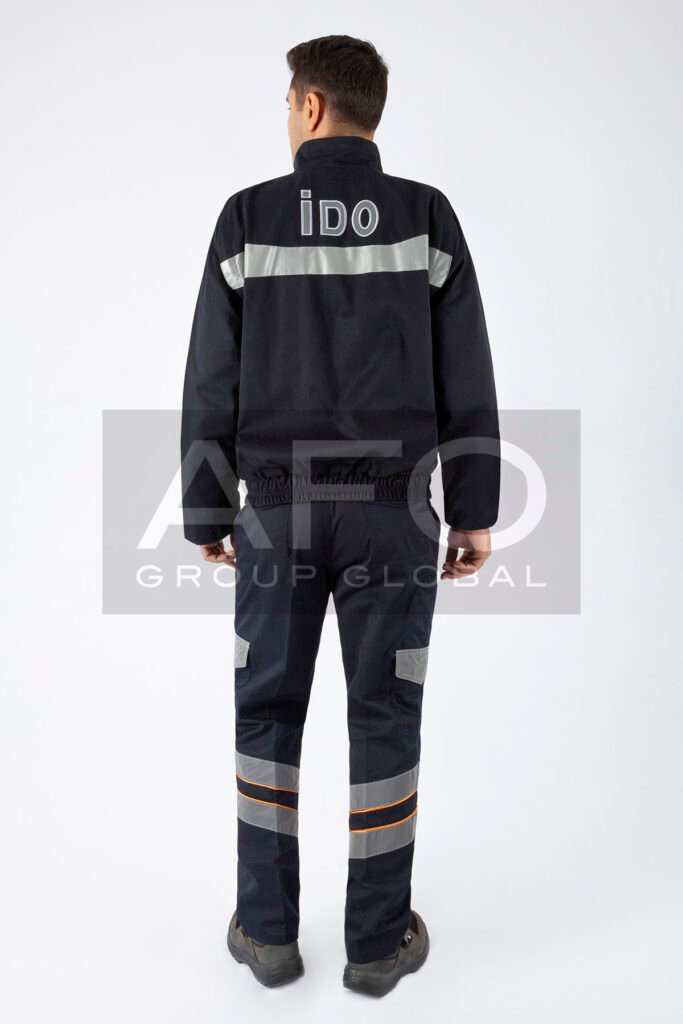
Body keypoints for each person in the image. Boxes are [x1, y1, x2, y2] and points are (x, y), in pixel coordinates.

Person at [181, 33, 500, 996]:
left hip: (275, 514)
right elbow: (465, 370)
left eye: (288, 103)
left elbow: (211, 375)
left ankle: (267, 935)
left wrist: (207, 508)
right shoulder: (425, 216)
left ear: (312, 106)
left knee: (266, 714)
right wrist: (472, 510)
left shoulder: (247, 218)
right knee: (385, 718)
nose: (286, 117)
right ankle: (376, 944)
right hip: (394, 516)